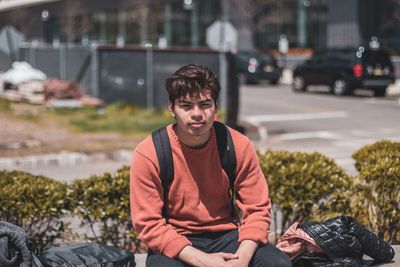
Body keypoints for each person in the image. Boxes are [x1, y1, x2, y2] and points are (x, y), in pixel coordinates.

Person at [130, 64, 291, 267]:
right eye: (186, 106)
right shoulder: (150, 152)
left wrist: (242, 258)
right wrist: (204, 261)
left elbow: (257, 209)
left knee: (277, 264)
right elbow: (149, 223)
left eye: (205, 104)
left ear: (216, 106)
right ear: (171, 108)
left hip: (227, 235)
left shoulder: (237, 145)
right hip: (177, 239)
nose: (197, 114)